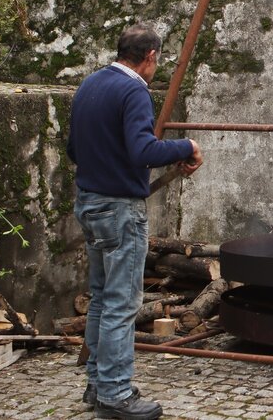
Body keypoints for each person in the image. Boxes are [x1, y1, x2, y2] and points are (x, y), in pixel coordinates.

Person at [67, 23, 203, 420]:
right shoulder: (133, 90)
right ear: (151, 57)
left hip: (89, 203)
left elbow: (75, 148)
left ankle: (97, 384)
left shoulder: (91, 84)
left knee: (100, 298)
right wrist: (187, 146)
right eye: (157, 60)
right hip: (119, 210)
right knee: (122, 304)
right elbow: (143, 149)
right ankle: (115, 395)